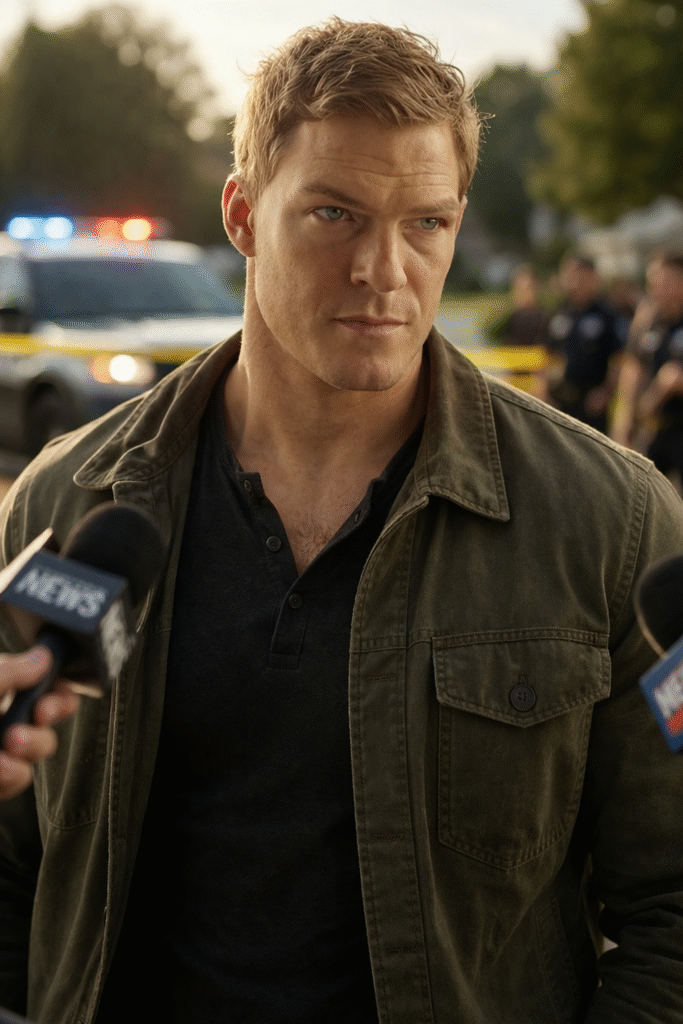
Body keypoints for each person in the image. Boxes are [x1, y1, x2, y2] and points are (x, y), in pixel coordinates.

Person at [1, 17, 683, 1024]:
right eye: (333, 214)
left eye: (426, 225)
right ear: (241, 215)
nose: (385, 271)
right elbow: (16, 876)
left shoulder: (612, 520)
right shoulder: (65, 505)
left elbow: (669, 910)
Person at [611, 252, 683, 488]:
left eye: (662, 280)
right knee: (645, 500)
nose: (653, 286)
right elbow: (634, 368)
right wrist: (625, 420)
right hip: (655, 431)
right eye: (651, 280)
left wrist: (668, 385)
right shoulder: (648, 320)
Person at [537, 254, 623, 432]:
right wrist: (543, 390)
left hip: (592, 402)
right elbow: (545, 355)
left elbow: (619, 359)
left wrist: (606, 392)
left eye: (582, 277)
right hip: (560, 400)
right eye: (570, 276)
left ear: (594, 279)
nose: (575, 282)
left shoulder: (607, 314)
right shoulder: (558, 313)